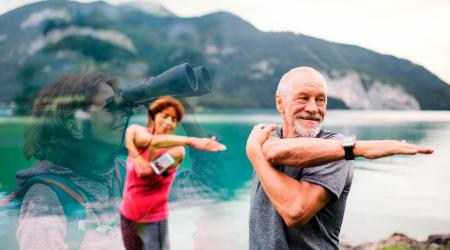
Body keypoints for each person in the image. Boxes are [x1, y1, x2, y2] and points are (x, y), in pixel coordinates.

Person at [246, 67, 433, 250]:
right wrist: (360, 148)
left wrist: (255, 156)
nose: (313, 108)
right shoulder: (267, 132)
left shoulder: (337, 152)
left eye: (321, 100)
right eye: (303, 98)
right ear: (280, 103)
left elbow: (295, 211)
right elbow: (273, 152)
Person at [16, 73, 129, 249]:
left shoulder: (123, 172)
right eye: (110, 107)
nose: (122, 114)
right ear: (74, 126)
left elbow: (185, 192)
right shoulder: (47, 199)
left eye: (121, 107)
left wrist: (187, 118)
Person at [119, 96, 226, 250]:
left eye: (173, 119)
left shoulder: (175, 152)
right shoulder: (136, 133)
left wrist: (192, 127)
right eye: (163, 117)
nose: (168, 123)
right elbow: (132, 136)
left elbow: (148, 172)